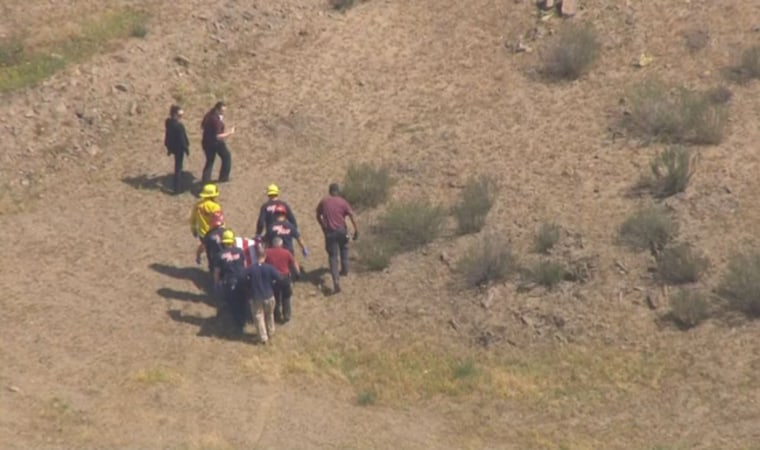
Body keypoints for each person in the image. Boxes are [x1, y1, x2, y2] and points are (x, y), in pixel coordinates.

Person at [315, 183, 358, 294]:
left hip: (330, 232)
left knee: (333, 256)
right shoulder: (343, 202)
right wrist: (356, 229)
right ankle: (345, 269)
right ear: (338, 191)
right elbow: (351, 215)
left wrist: (323, 226)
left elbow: (317, 214)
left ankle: (336, 280)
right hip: (342, 231)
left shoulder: (324, 202)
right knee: (344, 248)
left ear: (330, 191)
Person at [243, 244, 284, 344]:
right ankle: (271, 331)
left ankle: (263, 337)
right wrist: (272, 283)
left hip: (256, 296)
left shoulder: (251, 269)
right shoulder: (270, 268)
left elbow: (243, 279)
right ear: (265, 256)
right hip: (269, 295)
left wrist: (249, 286)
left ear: (256, 256)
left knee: (259, 316)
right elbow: (279, 278)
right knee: (270, 314)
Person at [213, 229, 248, 332]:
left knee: (232, 302)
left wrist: (216, 285)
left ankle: (237, 324)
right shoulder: (240, 251)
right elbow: (245, 266)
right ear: (232, 241)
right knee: (242, 301)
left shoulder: (219, 255)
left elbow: (217, 272)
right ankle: (243, 321)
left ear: (223, 243)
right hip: (242, 279)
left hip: (229, 281)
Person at [265, 237, 301, 324]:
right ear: (281, 245)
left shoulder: (267, 252)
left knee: (276, 297)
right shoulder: (286, 252)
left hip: (273, 279)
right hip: (285, 278)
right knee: (286, 297)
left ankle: (276, 315)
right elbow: (294, 263)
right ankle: (287, 315)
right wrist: (297, 274)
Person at [201, 101, 235, 184]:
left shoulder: (208, 115)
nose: (223, 113)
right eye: (222, 111)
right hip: (216, 143)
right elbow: (218, 136)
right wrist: (230, 133)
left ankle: (205, 180)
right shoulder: (216, 120)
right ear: (217, 110)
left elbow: (202, 126)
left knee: (210, 161)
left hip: (206, 142)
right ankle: (224, 177)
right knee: (226, 156)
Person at [190, 183, 222, 265]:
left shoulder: (198, 205)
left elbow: (192, 219)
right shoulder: (215, 207)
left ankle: (200, 257)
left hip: (203, 233)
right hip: (214, 233)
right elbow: (219, 221)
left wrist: (193, 229)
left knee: (206, 248)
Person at [164, 104, 190, 193]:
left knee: (177, 166)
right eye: (179, 115)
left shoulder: (168, 122)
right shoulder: (179, 126)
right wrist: (186, 149)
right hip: (179, 148)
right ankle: (177, 189)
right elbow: (183, 139)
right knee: (178, 168)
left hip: (172, 147)